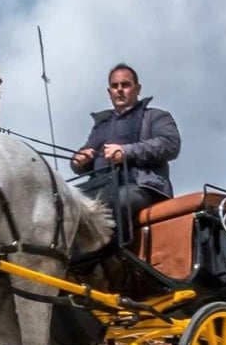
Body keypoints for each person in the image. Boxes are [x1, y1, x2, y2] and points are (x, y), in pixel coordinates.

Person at [70, 63, 182, 238]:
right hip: (100, 187)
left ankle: (111, 257)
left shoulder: (156, 116)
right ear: (109, 92)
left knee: (117, 201)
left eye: (125, 85)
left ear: (137, 89)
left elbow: (170, 144)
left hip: (143, 188)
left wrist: (126, 152)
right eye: (115, 86)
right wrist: (78, 161)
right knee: (66, 205)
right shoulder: (102, 125)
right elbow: (83, 157)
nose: (120, 90)